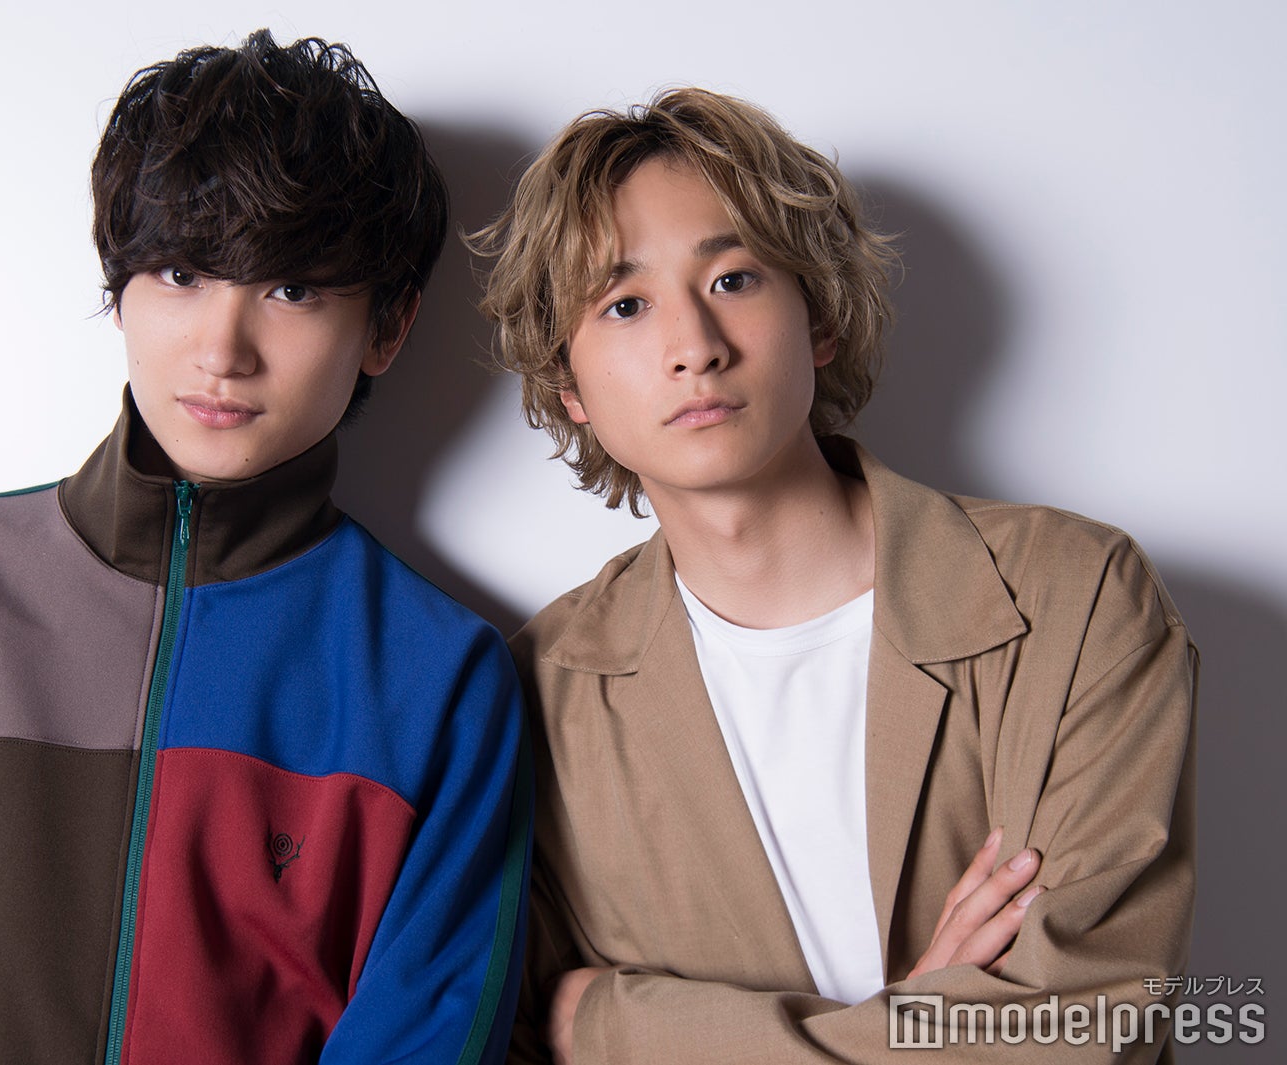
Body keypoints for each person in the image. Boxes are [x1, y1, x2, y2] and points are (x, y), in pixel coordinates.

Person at [0, 30, 529, 1065]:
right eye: (180, 272)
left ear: (386, 328)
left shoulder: (441, 679)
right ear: (120, 288)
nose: (221, 349)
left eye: (294, 290)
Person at [472, 88, 1195, 1063]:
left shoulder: (1077, 598)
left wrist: (615, 1024)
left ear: (818, 318)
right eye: (625, 304)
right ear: (570, 386)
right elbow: (512, 1041)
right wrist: (926, 1023)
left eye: (733, 278)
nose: (694, 347)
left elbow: (1086, 1023)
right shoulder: (537, 692)